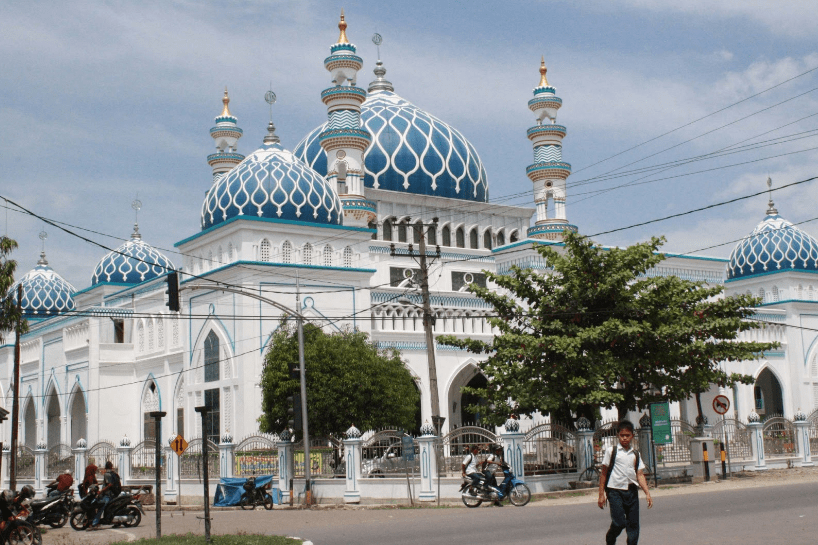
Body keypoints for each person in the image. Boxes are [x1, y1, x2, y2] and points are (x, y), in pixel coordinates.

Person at [598, 420, 653, 545]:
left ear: (632, 436)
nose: (624, 438)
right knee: (619, 522)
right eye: (622, 435)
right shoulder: (612, 451)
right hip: (615, 491)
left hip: (631, 491)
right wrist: (601, 494)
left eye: (627, 435)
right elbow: (604, 473)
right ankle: (610, 538)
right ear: (618, 435)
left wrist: (647, 493)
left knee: (633, 525)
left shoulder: (635, 454)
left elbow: (639, 474)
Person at [88, 461, 120, 531]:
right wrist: (98, 484)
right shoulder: (113, 473)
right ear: (111, 466)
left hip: (109, 495)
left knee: (101, 507)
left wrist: (101, 491)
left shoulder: (107, 474)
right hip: (113, 494)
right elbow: (107, 482)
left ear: (105, 467)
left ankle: (95, 523)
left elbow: (109, 484)